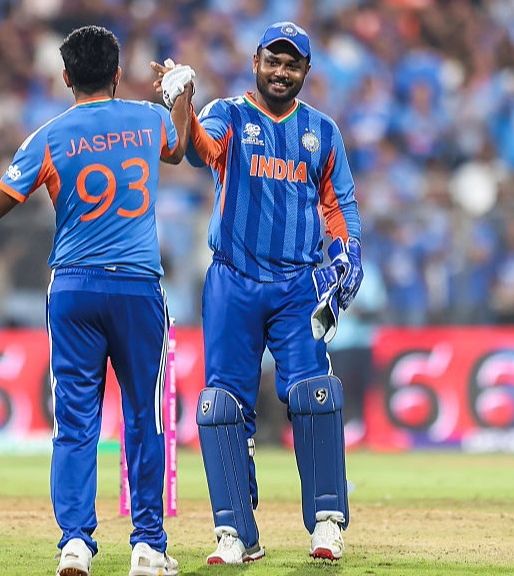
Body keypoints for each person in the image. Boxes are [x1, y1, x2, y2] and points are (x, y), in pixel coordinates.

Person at [0, 25, 192, 576]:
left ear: (65, 77)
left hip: (75, 289)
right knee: (145, 416)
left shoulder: (49, 136)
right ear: (117, 73)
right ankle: (148, 546)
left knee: (76, 418)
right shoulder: (147, 119)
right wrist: (180, 93)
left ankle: (75, 543)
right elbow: (178, 149)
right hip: (138, 287)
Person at [154, 21, 363, 564]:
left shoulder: (322, 131)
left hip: (299, 285)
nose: (281, 72)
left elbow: (338, 204)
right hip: (233, 280)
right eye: (273, 61)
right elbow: (198, 150)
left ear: (306, 71)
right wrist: (183, 102)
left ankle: (327, 522)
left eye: (292, 64)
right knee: (221, 406)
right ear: (256, 62)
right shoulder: (229, 113)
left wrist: (348, 253)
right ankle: (235, 532)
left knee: (315, 395)